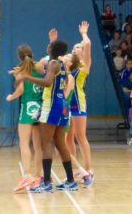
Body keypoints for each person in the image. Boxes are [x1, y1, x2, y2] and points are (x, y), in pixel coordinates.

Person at [17, 40, 78, 192]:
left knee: (45, 145)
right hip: (62, 106)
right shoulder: (62, 65)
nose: (47, 46)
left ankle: (46, 183)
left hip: (51, 107)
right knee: (59, 144)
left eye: (49, 46)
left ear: (52, 49)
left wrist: (26, 77)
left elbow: (46, 82)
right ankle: (71, 181)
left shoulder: (54, 64)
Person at [6, 45, 44, 192]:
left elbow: (20, 89)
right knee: (38, 146)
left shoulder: (20, 70)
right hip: (40, 108)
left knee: (24, 143)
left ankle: (27, 175)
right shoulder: (40, 67)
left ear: (19, 56)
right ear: (32, 54)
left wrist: (11, 96)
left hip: (28, 109)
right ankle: (38, 176)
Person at [68, 21, 94, 185]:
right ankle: (75, 170)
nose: (76, 48)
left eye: (79, 47)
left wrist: (83, 34)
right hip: (66, 104)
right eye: (74, 47)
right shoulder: (69, 66)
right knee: (67, 139)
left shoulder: (85, 65)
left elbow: (88, 43)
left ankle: (89, 169)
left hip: (78, 103)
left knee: (80, 136)